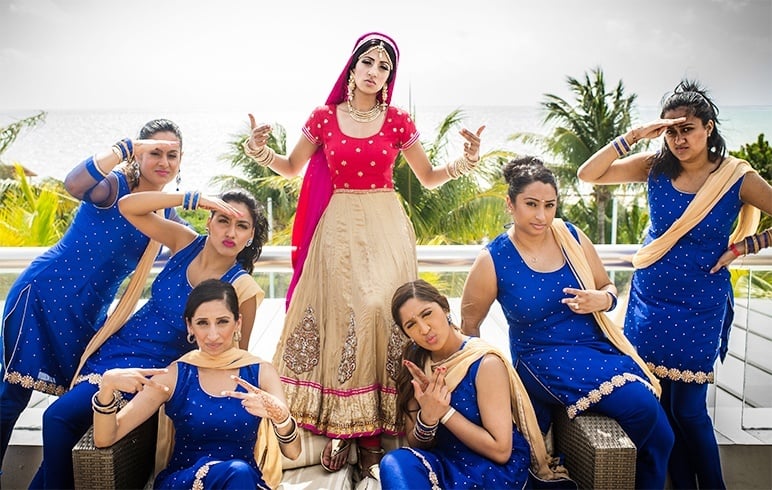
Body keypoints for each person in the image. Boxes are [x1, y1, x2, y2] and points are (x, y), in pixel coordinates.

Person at [242, 32, 485, 478]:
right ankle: (345, 429)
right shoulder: (323, 118)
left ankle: (374, 431)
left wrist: (466, 160)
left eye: (384, 67)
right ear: (351, 68)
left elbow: (428, 177)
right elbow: (293, 167)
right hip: (337, 227)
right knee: (343, 316)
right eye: (368, 63)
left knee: (382, 313)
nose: (375, 72)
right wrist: (260, 151)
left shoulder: (396, 121)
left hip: (386, 224)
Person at [577, 79, 772, 489]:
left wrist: (745, 246)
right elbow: (588, 174)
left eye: (688, 129)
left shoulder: (736, 177)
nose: (679, 139)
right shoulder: (654, 165)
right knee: (659, 405)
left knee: (690, 411)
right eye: (671, 130)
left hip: (701, 301)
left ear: (709, 129)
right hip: (650, 299)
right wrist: (633, 136)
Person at [29, 188, 268, 489]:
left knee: (57, 417)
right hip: (117, 347)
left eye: (242, 225)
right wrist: (189, 198)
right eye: (223, 220)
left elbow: (235, 357)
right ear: (208, 221)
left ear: (250, 236)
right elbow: (129, 207)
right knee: (65, 429)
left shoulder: (240, 287)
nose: (231, 232)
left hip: (150, 371)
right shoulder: (185, 243)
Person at [461, 157, 675, 489]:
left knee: (663, 436)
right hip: (539, 358)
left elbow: (608, 288)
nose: (542, 216)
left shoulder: (571, 236)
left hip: (594, 347)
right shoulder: (493, 259)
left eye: (549, 205)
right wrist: (482, 384)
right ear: (510, 204)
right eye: (531, 205)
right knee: (643, 408)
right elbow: (469, 327)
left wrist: (600, 300)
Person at [0, 119, 184, 465]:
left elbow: (193, 250)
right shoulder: (114, 188)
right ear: (138, 156)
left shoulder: (166, 211)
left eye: (171, 154)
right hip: (43, 296)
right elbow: (74, 184)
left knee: (69, 405)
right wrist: (123, 148)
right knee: (11, 397)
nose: (163, 162)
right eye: (153, 152)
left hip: (88, 317)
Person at [92, 279, 300, 489]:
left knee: (240, 473)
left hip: (244, 482)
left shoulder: (260, 372)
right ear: (189, 326)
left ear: (238, 323)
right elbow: (106, 437)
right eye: (202, 323)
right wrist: (106, 388)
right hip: (185, 482)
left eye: (222, 322)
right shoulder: (175, 375)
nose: (213, 334)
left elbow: (292, 452)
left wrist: (280, 417)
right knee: (238, 471)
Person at [380, 279, 570, 489]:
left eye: (427, 314)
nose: (424, 329)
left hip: (491, 469)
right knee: (394, 462)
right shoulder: (416, 364)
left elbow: (501, 450)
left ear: (444, 307)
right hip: (443, 462)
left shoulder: (485, 363)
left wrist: (445, 413)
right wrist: (428, 418)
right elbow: (417, 443)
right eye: (411, 325)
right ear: (406, 333)